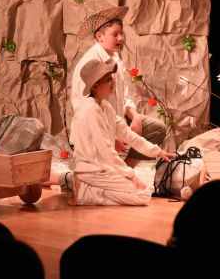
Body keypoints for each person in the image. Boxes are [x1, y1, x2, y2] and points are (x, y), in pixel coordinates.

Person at [71, 6, 169, 167]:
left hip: (115, 121)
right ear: (99, 37)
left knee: (156, 128)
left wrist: (135, 117)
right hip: (95, 129)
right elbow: (82, 108)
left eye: (121, 34)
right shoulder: (89, 63)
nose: (121, 38)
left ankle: (127, 169)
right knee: (97, 171)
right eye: (115, 34)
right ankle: (115, 172)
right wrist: (110, 134)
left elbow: (124, 96)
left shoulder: (115, 58)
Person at [70, 58, 175, 205]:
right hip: (91, 169)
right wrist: (129, 174)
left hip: (104, 167)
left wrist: (157, 151)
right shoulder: (90, 109)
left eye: (111, 77)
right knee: (142, 195)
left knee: (143, 190)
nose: (112, 82)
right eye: (107, 79)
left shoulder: (105, 107)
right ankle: (85, 193)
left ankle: (91, 190)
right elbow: (106, 149)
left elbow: (129, 135)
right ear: (95, 85)